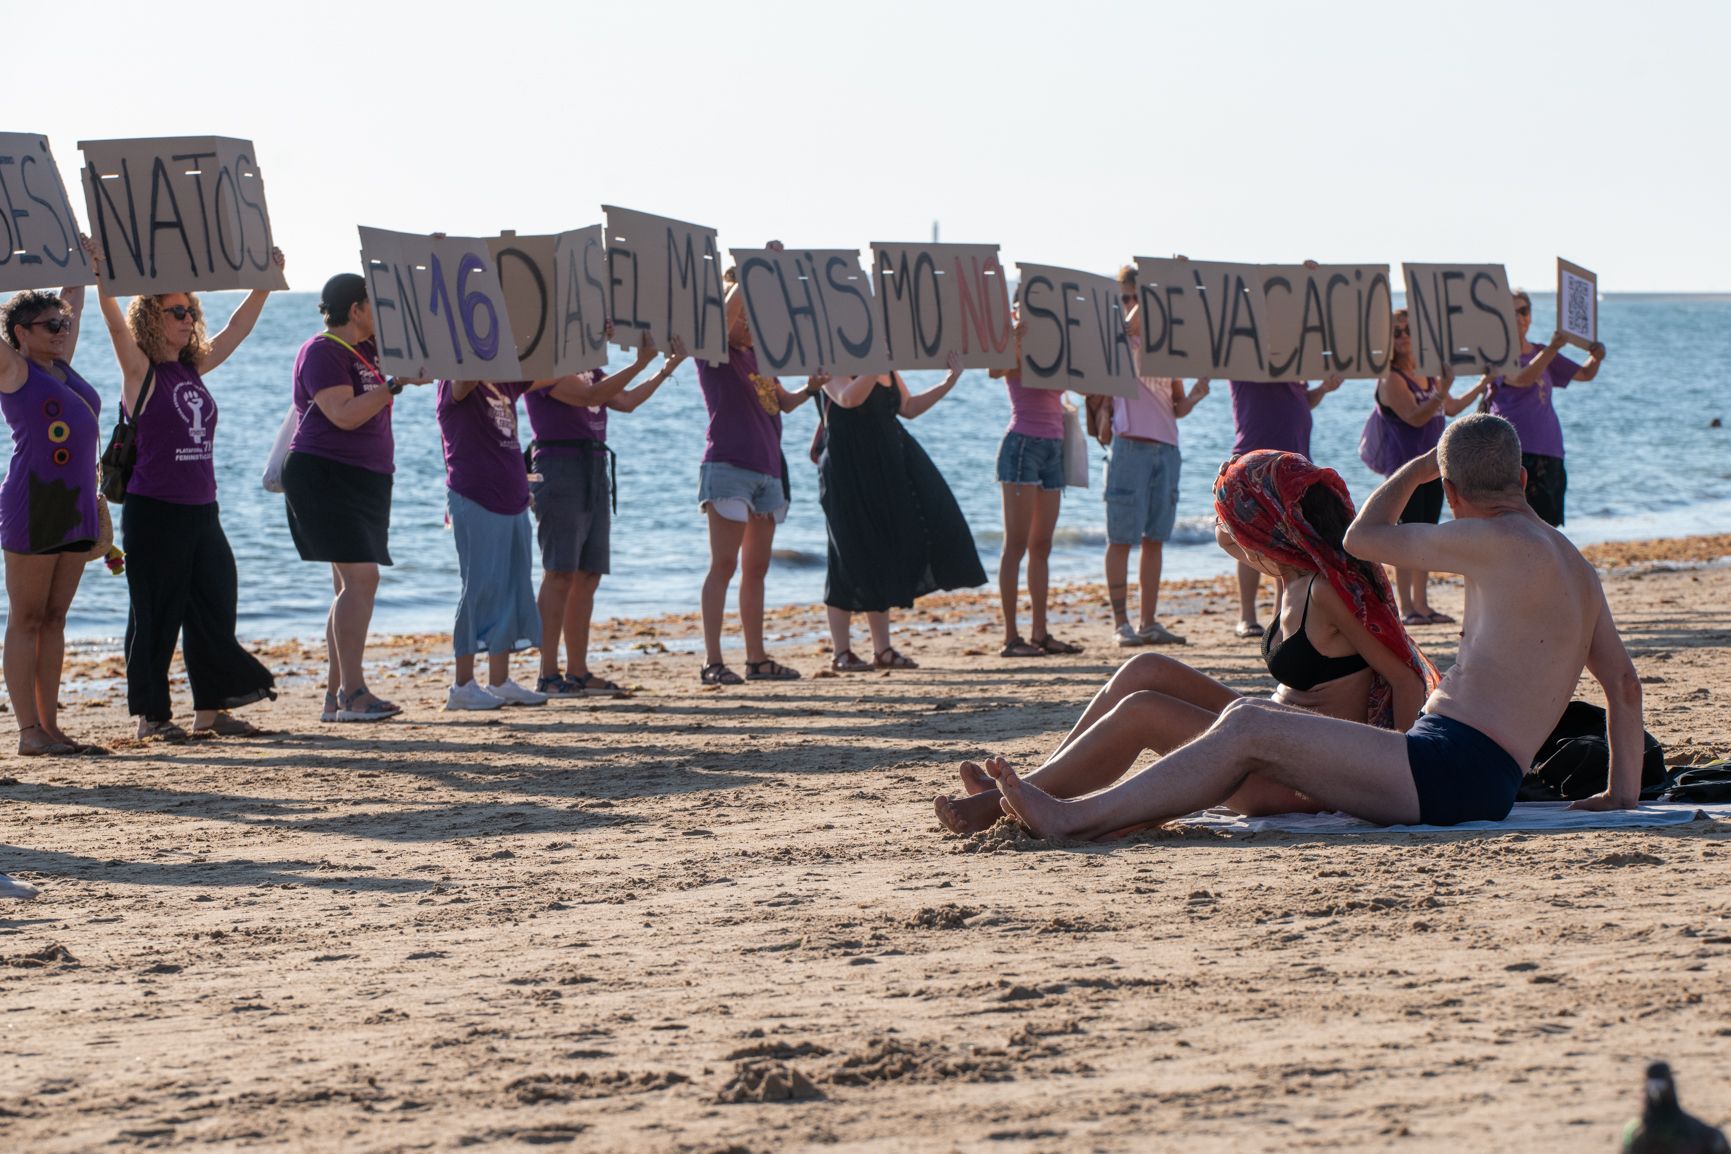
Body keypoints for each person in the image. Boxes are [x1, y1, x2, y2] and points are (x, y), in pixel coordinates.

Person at [977, 414, 1645, 840]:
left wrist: (1413, 471)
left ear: (1455, 493)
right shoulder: (1574, 566)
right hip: (1475, 776)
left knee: (1247, 726)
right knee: (1247, 727)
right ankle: (1075, 806)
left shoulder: (1491, 537)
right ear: (1523, 477)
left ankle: (1073, 816)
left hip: (1448, 768)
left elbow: (1362, 537)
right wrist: (1621, 792)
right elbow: (1622, 684)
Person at [936, 449, 1433, 834]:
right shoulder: (1291, 573)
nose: (1229, 531)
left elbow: (1405, 677)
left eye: (1238, 517)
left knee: (1144, 710)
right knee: (1145, 668)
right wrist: (1238, 481)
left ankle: (1002, 803)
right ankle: (1038, 783)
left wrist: (1394, 777)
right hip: (1273, 736)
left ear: (1265, 526)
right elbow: (1225, 534)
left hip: (1300, 777)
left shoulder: (1326, 591)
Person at [90, 246, 283, 739]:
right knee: (156, 612)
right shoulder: (141, 372)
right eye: (176, 311)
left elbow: (235, 331)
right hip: (155, 510)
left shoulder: (191, 367)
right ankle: (152, 718)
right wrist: (102, 281)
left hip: (203, 508)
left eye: (190, 310)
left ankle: (211, 710)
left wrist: (264, 283)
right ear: (152, 317)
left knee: (215, 603)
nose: (187, 317)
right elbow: (115, 329)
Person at [281, 274, 424, 723]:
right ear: (356, 308)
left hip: (365, 477)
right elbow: (342, 415)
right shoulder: (322, 351)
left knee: (349, 585)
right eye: (376, 304)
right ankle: (352, 692)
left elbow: (421, 330)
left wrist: (426, 266)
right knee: (362, 579)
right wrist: (393, 387)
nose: (384, 312)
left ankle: (334, 697)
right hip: (325, 474)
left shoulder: (370, 349)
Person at [526, 333, 686, 697]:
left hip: (595, 465)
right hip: (558, 463)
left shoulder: (590, 367)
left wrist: (665, 370)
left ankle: (577, 671)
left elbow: (624, 401)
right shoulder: (543, 364)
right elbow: (589, 397)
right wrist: (638, 363)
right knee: (560, 572)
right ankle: (547, 672)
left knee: (588, 574)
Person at [695, 251, 823, 686]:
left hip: (768, 471)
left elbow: (782, 402)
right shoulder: (713, 351)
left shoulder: (759, 357)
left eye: (754, 317)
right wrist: (752, 274)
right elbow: (723, 314)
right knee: (724, 565)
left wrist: (810, 388)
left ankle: (757, 658)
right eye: (744, 316)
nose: (749, 323)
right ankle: (713, 660)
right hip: (728, 466)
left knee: (756, 569)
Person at [815, 352, 986, 670]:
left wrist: (949, 381)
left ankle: (883, 650)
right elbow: (847, 399)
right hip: (846, 470)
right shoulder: (830, 362)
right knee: (845, 553)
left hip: (886, 467)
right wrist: (874, 366)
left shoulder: (883, 366)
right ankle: (842, 652)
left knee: (881, 551)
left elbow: (908, 407)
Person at [1, 285, 106, 754]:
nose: (63, 331)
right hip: (33, 502)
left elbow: (74, 301)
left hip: (75, 504)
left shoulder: (60, 364)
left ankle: (51, 726)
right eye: (52, 325)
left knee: (55, 618)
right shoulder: (13, 368)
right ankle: (28, 733)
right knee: (26, 617)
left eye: (63, 324)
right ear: (21, 334)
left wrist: (81, 267)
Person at [1103, 265, 1209, 648]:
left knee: (1155, 538)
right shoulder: (1117, 344)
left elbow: (1176, 406)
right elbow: (1127, 327)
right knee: (1121, 538)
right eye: (1127, 298)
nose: (1133, 305)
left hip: (1167, 447)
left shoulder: (1168, 347)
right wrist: (1151, 287)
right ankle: (1121, 623)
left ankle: (1148, 622)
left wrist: (1195, 395)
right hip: (1130, 445)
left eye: (1137, 297)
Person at [1361, 308, 1488, 624]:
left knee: (1427, 536)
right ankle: (1407, 607)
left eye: (1407, 331)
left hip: (1433, 467)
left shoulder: (1431, 373)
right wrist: (1442, 391)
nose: (1403, 337)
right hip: (1404, 471)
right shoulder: (1390, 379)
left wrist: (1484, 383)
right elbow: (1414, 416)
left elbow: (1453, 406)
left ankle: (1423, 603)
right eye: (1396, 332)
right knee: (1404, 538)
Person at [435, 376, 550, 710]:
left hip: (513, 497)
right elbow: (462, 381)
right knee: (478, 587)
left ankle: (499, 681)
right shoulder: (454, 384)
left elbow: (546, 364)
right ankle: (462, 686)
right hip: (474, 494)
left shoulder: (504, 384)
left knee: (512, 587)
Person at [988, 309, 1081, 658]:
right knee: (1015, 545)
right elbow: (993, 369)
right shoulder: (1016, 344)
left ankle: (1040, 632)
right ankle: (1011, 637)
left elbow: (1087, 382)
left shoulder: (1055, 345)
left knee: (1041, 545)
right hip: (1023, 445)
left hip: (1053, 449)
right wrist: (1014, 336)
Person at [1225, 373, 1343, 638]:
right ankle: (1247, 616)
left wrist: (1323, 388)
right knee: (1248, 536)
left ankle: (1282, 615)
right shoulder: (1247, 357)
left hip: (1294, 460)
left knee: (1291, 540)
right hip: (1253, 454)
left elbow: (1300, 400)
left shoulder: (1295, 359)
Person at [1482, 289, 1607, 527]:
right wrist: (1553, 348)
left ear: (1530, 316)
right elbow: (1521, 378)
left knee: (1547, 529)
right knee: (1512, 528)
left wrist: (1597, 357)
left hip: (1549, 450)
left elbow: (1585, 373)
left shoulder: (1542, 352)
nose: (1519, 317)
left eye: (1523, 311)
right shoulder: (1497, 355)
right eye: (1512, 311)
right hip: (1509, 453)